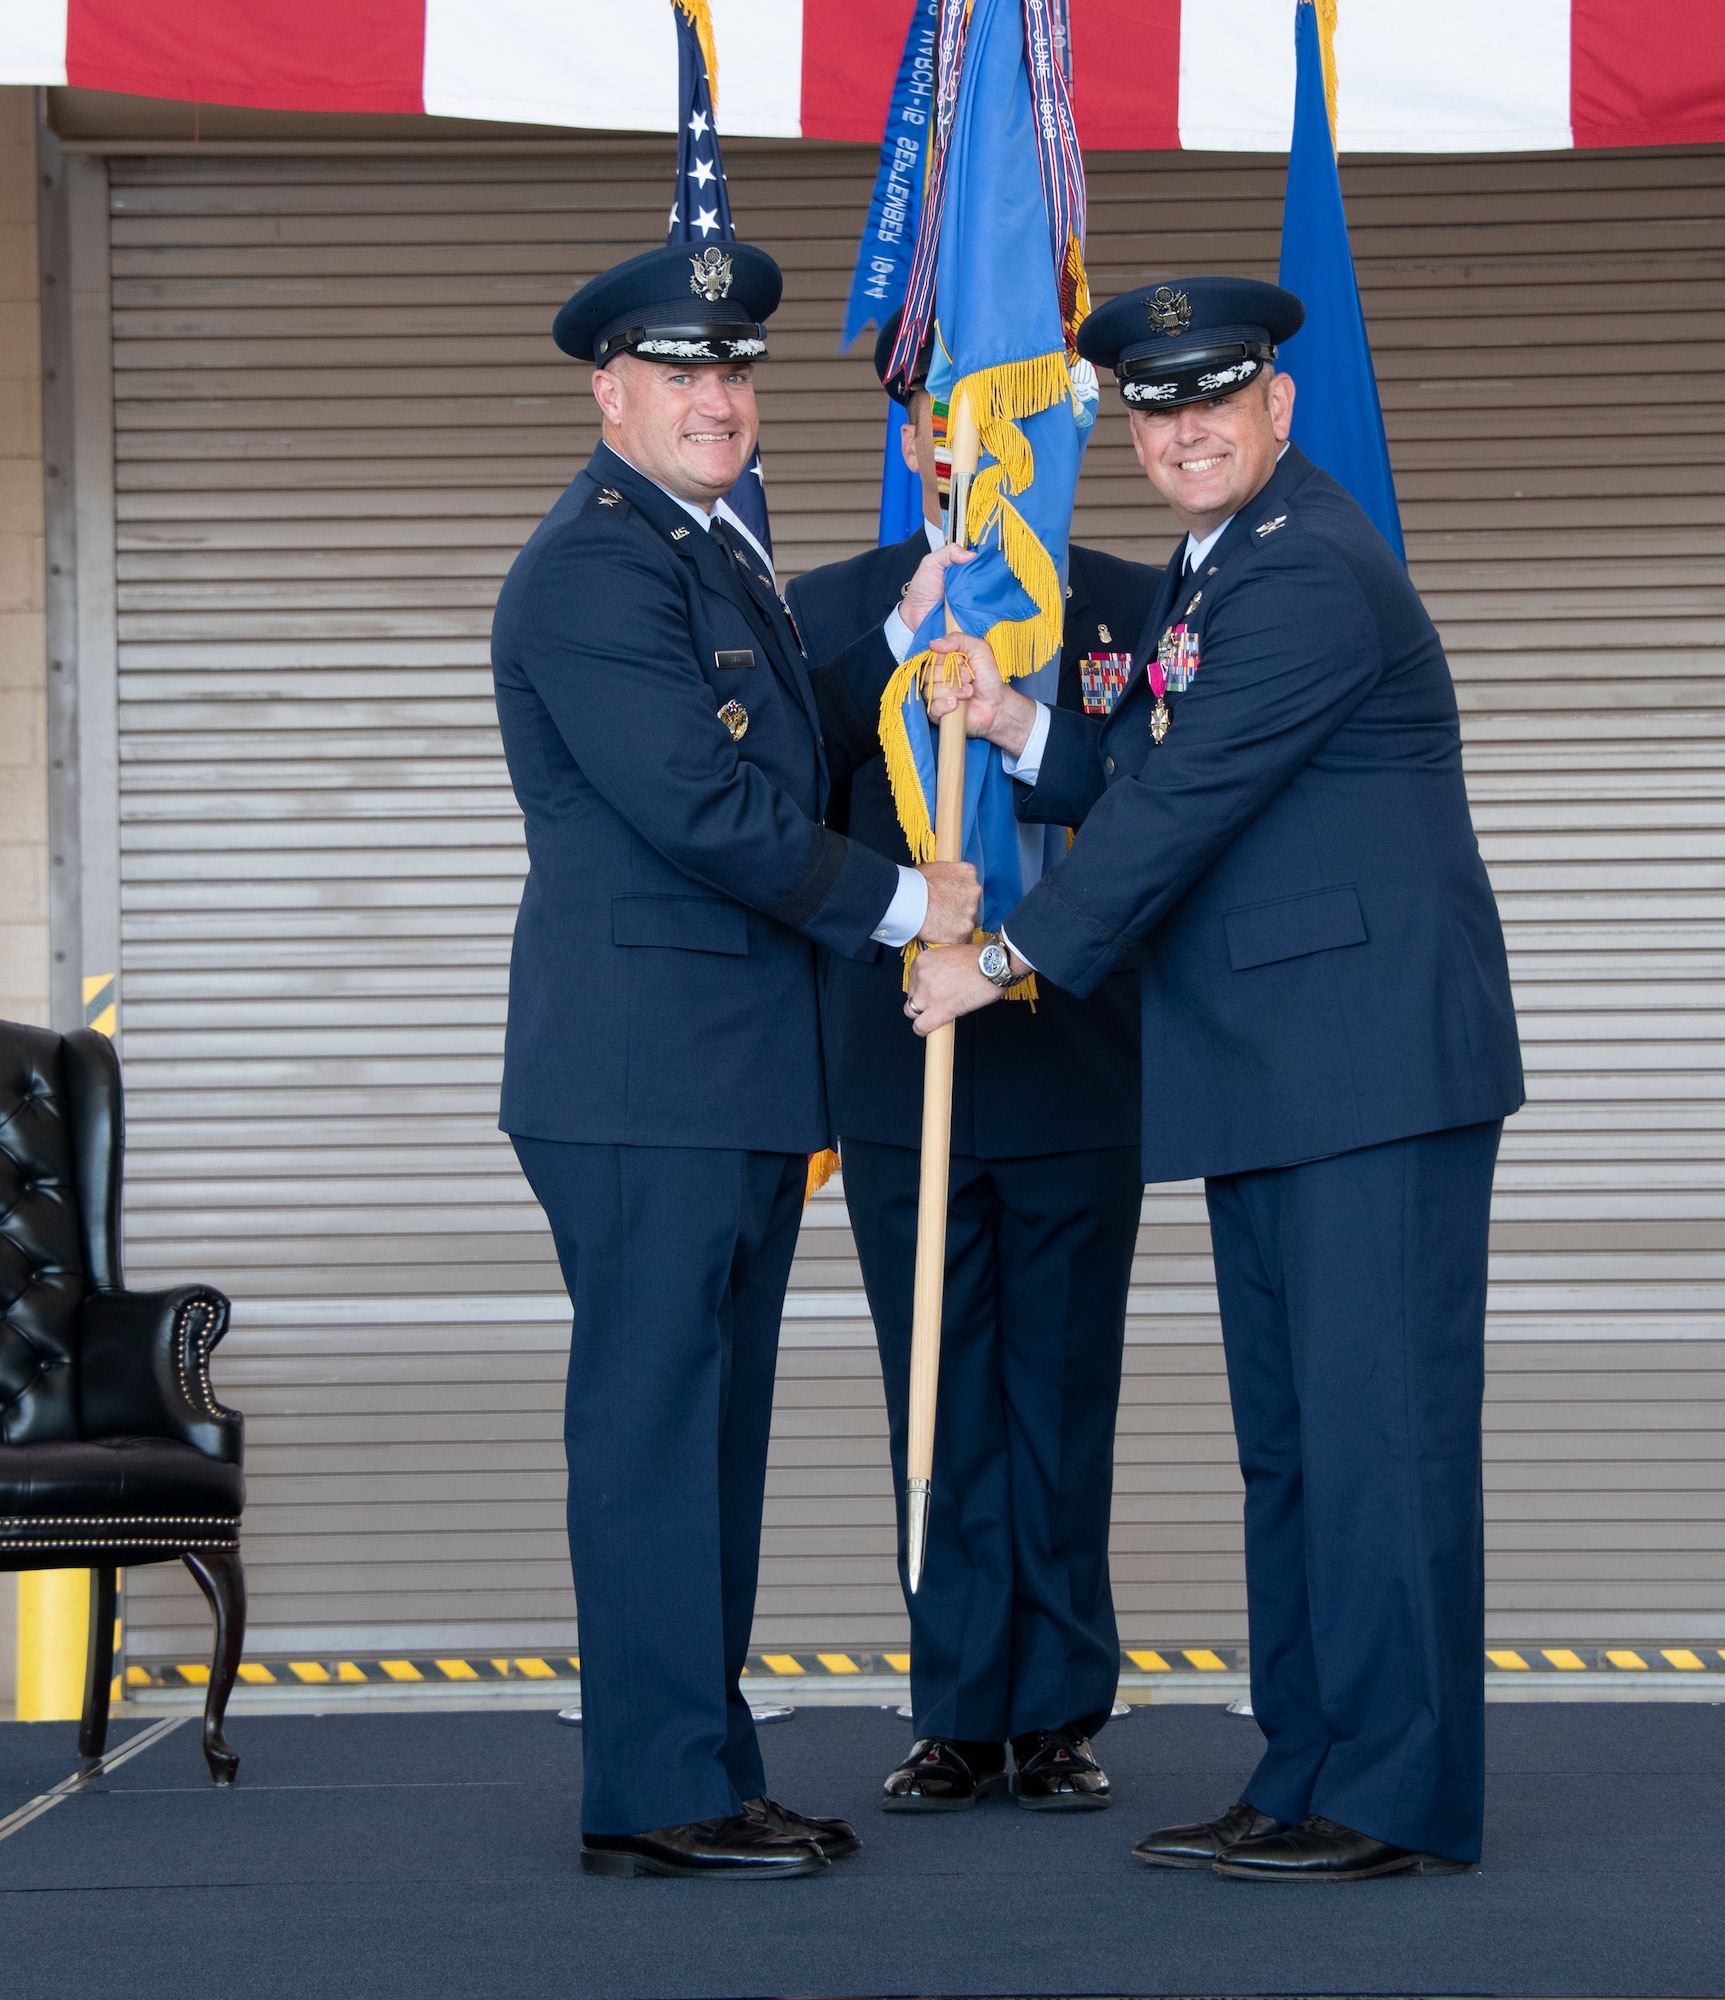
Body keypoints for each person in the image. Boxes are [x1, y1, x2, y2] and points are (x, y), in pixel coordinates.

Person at [907, 277, 1525, 1882]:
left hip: (1366, 1071)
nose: (1184, 430)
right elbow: (1143, 765)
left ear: (1278, 409)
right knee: (1302, 1444)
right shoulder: (1223, 568)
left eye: (1214, 402)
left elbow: (1177, 817)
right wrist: (1016, 716)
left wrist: (1006, 956)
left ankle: (1389, 1796)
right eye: (1154, 409)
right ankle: (1310, 1766)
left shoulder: (1308, 569)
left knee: (1374, 1438)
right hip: (1284, 1073)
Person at [491, 242, 980, 1881]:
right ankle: (654, 1794)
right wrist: (913, 902)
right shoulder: (595, 568)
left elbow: (771, 744)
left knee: (709, 1436)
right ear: (609, 390)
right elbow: (701, 812)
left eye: (736, 372)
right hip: (646, 1082)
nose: (720, 397)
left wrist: (895, 634)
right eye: (683, 372)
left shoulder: (706, 553)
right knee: (654, 1433)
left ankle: (702, 1764)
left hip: (729, 1079)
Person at [784, 315, 1161, 1814]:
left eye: (995, 430)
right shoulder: (831, 610)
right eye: (941, 429)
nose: (968, 456)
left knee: (1061, 1402)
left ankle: (1060, 1709)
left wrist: (1022, 717)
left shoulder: (1123, 609)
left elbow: (1151, 811)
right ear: (908, 439)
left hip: (1069, 1061)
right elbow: (778, 809)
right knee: (932, 1394)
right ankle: (955, 1708)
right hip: (902, 1069)